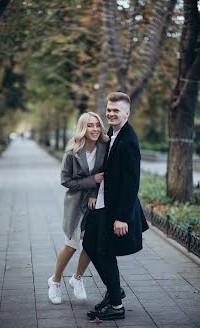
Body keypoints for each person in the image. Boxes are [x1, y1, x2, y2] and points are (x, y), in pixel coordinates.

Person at [83, 92, 149, 321]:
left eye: (116, 111)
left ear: (127, 113)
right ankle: (114, 290)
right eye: (109, 110)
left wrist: (122, 218)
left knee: (105, 252)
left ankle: (116, 305)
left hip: (116, 209)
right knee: (89, 244)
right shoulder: (112, 132)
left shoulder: (129, 140)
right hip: (101, 204)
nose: (111, 114)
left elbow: (132, 182)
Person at [48, 112, 109, 304]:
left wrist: (93, 192)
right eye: (90, 125)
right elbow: (65, 181)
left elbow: (105, 176)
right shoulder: (72, 152)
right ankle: (55, 281)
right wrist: (91, 181)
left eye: (98, 125)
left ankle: (77, 279)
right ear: (83, 128)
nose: (95, 129)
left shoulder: (105, 147)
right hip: (76, 205)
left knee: (91, 244)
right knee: (72, 245)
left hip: (95, 202)